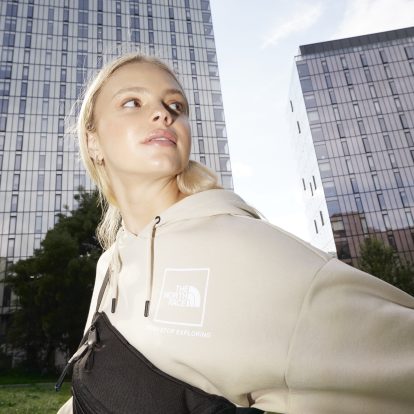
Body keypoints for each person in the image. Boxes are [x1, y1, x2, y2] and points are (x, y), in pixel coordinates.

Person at [57, 52, 414, 414]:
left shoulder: (249, 252)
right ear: (92, 142)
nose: (164, 114)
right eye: (133, 102)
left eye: (175, 105)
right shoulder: (110, 263)